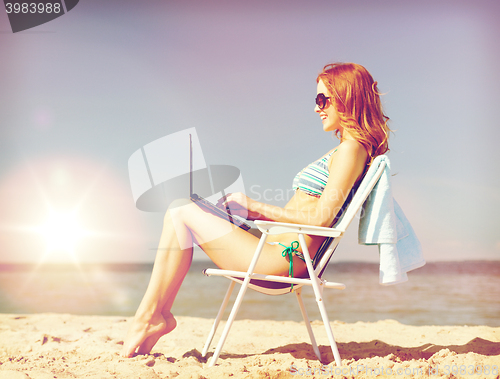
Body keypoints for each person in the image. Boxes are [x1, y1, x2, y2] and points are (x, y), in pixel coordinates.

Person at [121, 62, 391, 358]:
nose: (317, 108)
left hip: (280, 261)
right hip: (275, 249)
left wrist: (255, 207)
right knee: (187, 207)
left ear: (346, 96)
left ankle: (151, 317)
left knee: (179, 210)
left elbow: (321, 219)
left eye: (322, 99)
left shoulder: (351, 149)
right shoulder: (349, 150)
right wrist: (249, 216)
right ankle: (153, 316)